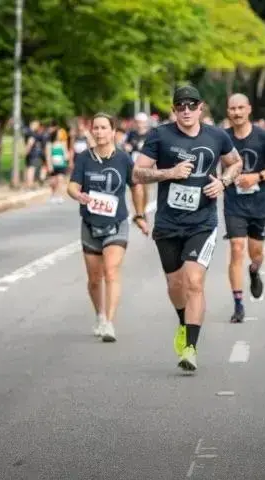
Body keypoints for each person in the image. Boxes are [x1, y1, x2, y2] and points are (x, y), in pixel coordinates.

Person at [133, 85, 243, 372]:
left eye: (191, 105)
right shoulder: (160, 135)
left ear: (200, 108)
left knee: (194, 280)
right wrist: (169, 172)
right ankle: (184, 321)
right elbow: (138, 172)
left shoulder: (216, 136)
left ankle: (191, 348)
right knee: (175, 285)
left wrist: (224, 182)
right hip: (168, 223)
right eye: (180, 106)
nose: (186, 110)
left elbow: (235, 163)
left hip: (202, 223)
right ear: (174, 110)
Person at [67, 113, 149, 342]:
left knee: (111, 271)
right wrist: (79, 195)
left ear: (113, 131)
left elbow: (136, 186)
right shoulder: (84, 159)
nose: (100, 132)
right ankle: (100, 315)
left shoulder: (123, 159)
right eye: (96, 128)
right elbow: (72, 186)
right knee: (94, 278)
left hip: (117, 223)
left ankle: (110, 323)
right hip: (90, 223)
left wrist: (140, 214)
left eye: (104, 128)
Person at [224, 93, 265, 322]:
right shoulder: (223, 138)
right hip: (234, 203)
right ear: (228, 111)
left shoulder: (264, 137)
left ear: (249, 109)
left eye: (241, 108)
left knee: (255, 253)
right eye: (232, 108)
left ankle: (254, 271)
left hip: (259, 204)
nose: (237, 113)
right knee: (237, 248)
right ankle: (238, 304)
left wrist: (257, 177)